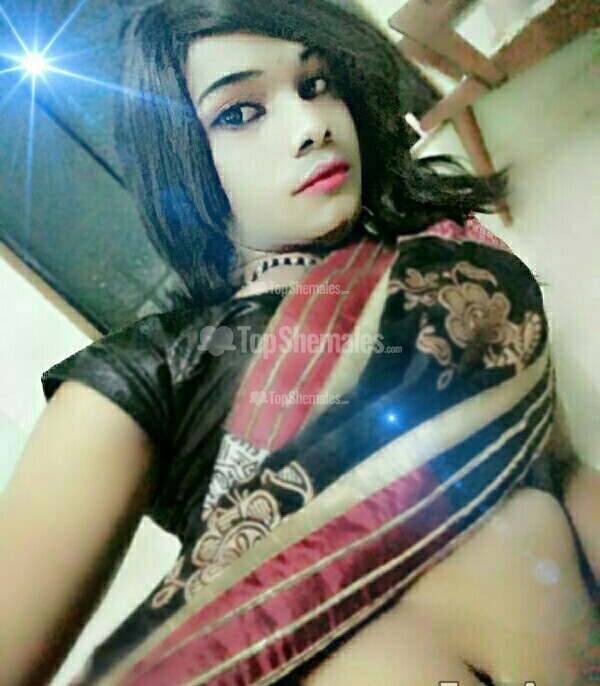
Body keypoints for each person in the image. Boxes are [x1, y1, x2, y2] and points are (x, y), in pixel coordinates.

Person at [0, 1, 598, 685]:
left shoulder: (447, 258)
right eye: (239, 112)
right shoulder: (155, 376)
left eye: (316, 85)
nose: (312, 125)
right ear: (185, 162)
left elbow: (557, 467)